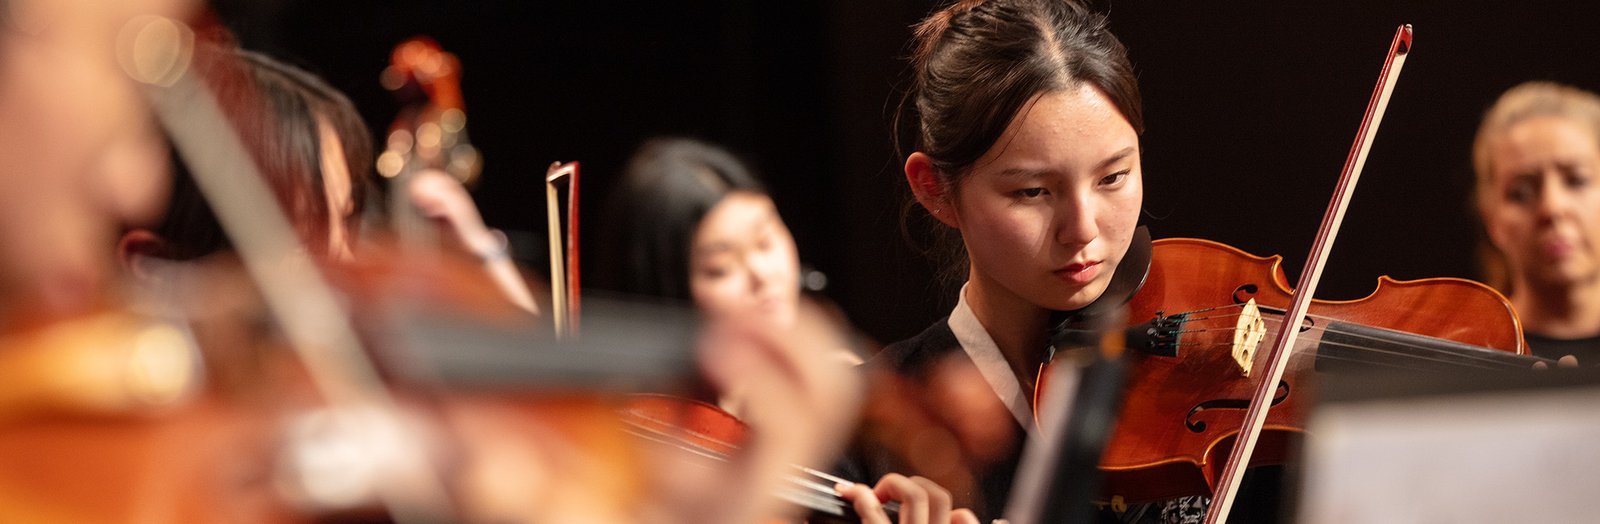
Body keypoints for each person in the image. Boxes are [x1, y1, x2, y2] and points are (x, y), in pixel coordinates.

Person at [848, 1, 1291, 522]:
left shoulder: (1235, 401)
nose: (1083, 228)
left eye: (1113, 177)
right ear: (935, 189)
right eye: (1033, 191)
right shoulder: (866, 429)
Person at [602, 137, 977, 523]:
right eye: (721, 268)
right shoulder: (630, 442)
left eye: (765, 241)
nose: (763, 275)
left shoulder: (847, 386)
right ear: (665, 291)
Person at [1473, 81, 1600, 365]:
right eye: (1521, 193)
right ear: (1492, 218)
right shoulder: (1470, 349)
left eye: (1577, 180)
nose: (1552, 208)